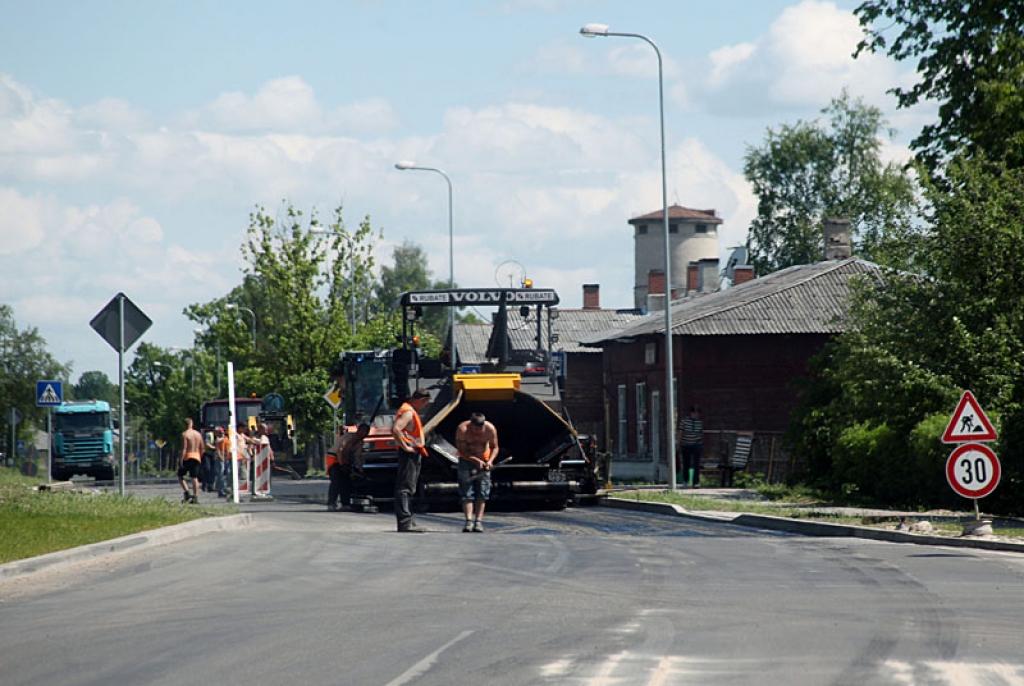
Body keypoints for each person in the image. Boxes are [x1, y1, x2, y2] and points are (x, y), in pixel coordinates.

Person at [391, 389, 431, 532]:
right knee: (405, 488)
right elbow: (396, 429)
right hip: (409, 453)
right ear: (421, 400)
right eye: (425, 403)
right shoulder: (408, 412)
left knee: (408, 487)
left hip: (412, 452)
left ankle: (409, 521)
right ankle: (405, 523)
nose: (425, 406)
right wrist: (406, 447)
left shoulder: (407, 409)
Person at [455, 412, 499, 532]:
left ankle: (478, 521)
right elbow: (461, 450)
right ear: (471, 425)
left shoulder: (490, 429)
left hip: (484, 461)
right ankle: (468, 521)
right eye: (475, 429)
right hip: (466, 461)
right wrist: (474, 459)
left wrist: (490, 461)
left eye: (480, 429)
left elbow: (495, 447)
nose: (477, 432)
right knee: (466, 492)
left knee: (482, 492)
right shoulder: (462, 429)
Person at [326, 423, 370, 511]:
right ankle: (331, 503)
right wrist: (342, 464)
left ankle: (345, 503)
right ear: (359, 430)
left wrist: (359, 469)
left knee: (346, 482)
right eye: (363, 431)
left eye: (366, 432)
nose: (364, 434)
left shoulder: (359, 442)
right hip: (334, 458)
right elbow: (341, 450)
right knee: (336, 481)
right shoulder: (349, 437)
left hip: (345, 461)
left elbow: (357, 456)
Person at [178, 417, 204, 504]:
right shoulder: (198, 434)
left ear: (184, 425)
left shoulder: (185, 434)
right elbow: (202, 448)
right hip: (196, 456)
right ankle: (195, 497)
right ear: (192, 424)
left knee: (180, 475)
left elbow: (184, 448)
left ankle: (187, 493)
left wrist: (181, 460)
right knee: (194, 477)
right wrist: (200, 457)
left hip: (187, 456)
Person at [679, 405, 704, 488]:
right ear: (691, 413)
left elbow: (700, 433)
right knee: (686, 463)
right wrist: (679, 442)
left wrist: (700, 443)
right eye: (695, 413)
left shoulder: (699, 422)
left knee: (697, 464)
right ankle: (685, 481)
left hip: (696, 445)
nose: (697, 415)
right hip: (686, 444)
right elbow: (680, 432)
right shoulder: (684, 421)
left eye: (698, 413)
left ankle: (696, 482)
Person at [213, 426, 229, 497]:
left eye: (221, 432)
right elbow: (217, 449)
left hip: (226, 458)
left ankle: (222, 489)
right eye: (219, 432)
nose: (221, 433)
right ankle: (221, 491)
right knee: (221, 474)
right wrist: (220, 457)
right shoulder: (218, 439)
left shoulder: (226, 439)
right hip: (220, 458)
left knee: (224, 474)